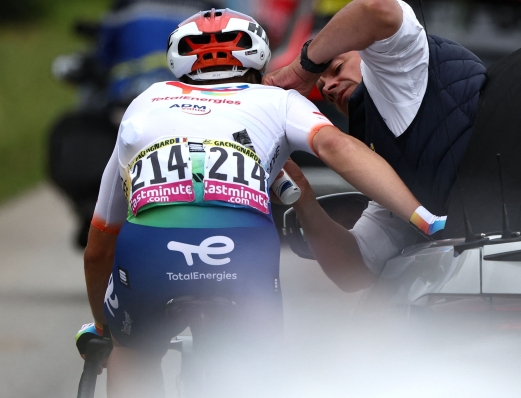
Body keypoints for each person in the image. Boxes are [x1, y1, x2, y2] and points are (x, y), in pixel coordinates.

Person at [75, 8, 442, 397]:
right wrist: (421, 216)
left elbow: (99, 244)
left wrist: (104, 328)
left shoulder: (147, 101)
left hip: (150, 251)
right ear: (259, 57)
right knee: (256, 363)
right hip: (241, 249)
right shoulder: (276, 100)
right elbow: (336, 146)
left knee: (132, 352)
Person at [263, 0, 487, 291]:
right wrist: (303, 196)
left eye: (337, 67)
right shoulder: (391, 165)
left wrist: (305, 66)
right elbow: (355, 271)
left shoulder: (400, 71)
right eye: (323, 90)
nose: (328, 86)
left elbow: (376, 8)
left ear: (365, 48)